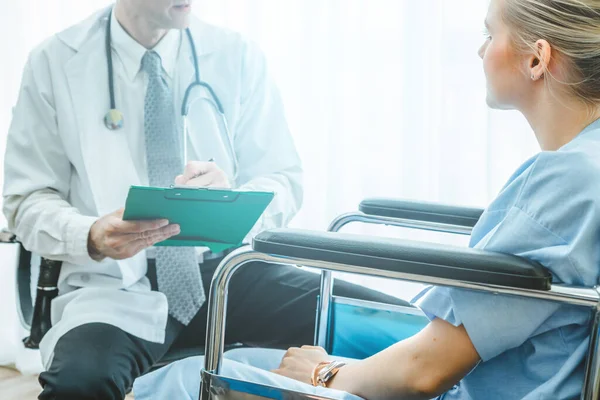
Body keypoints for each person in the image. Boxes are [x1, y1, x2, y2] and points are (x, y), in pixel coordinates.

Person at [132, 0, 600, 399]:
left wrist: (325, 374)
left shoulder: (565, 178)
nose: (480, 50)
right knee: (254, 356)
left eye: (489, 33)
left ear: (537, 59)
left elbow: (424, 374)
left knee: (185, 378)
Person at [2, 1, 407, 398]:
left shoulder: (234, 54)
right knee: (78, 385)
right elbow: (25, 199)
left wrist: (233, 199)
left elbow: (282, 177)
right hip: (115, 286)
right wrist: (89, 234)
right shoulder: (55, 62)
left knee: (399, 330)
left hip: (228, 272)